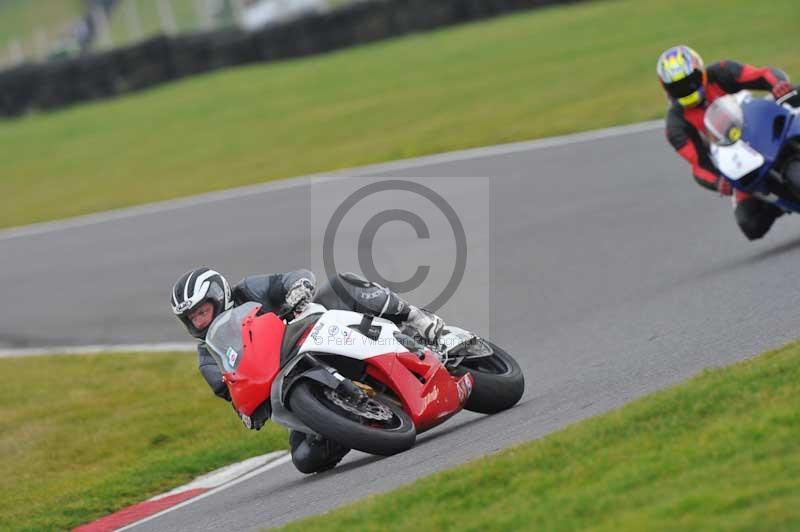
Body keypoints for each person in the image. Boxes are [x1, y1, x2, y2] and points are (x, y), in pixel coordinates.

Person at [170, 267, 445, 474]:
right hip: (287, 380)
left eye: (202, 311)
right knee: (304, 458)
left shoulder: (249, 290)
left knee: (342, 284)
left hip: (313, 329)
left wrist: (298, 288)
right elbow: (228, 388)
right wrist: (244, 408)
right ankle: (348, 424)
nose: (199, 320)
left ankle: (417, 320)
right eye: (192, 318)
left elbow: (290, 278)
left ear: (220, 297)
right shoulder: (209, 354)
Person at [657, 45, 800, 240]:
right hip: (736, 159)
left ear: (701, 72)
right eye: (678, 87)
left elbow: (763, 74)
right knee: (750, 224)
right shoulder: (676, 125)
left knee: (794, 95)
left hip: (760, 125)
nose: (686, 89)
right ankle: (780, 202)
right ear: (667, 90)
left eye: (690, 81)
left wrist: (779, 85)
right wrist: (718, 182)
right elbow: (699, 166)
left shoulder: (721, 72)